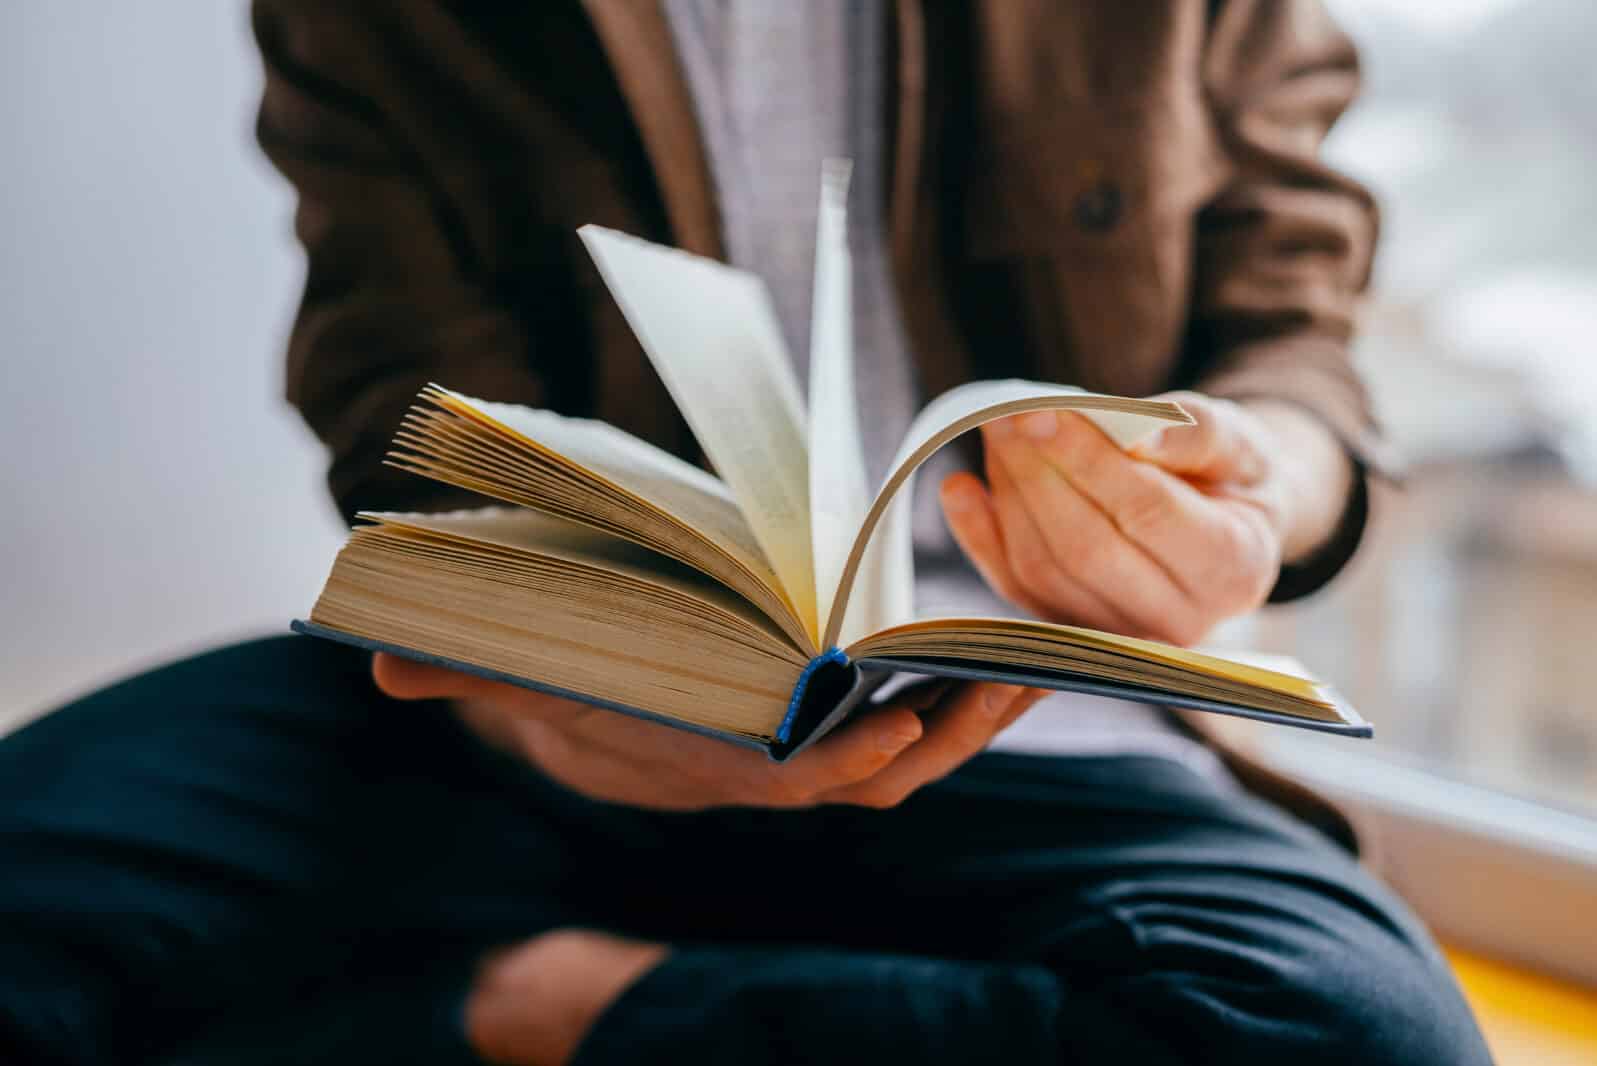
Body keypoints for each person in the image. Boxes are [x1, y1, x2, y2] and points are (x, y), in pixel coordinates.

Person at [0, 2, 1491, 1064]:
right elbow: (392, 392)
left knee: (1356, 1037)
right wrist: (541, 689)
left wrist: (1249, 482)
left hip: (1029, 722)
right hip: (521, 721)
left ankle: (529, 1001)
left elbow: (1294, 333)